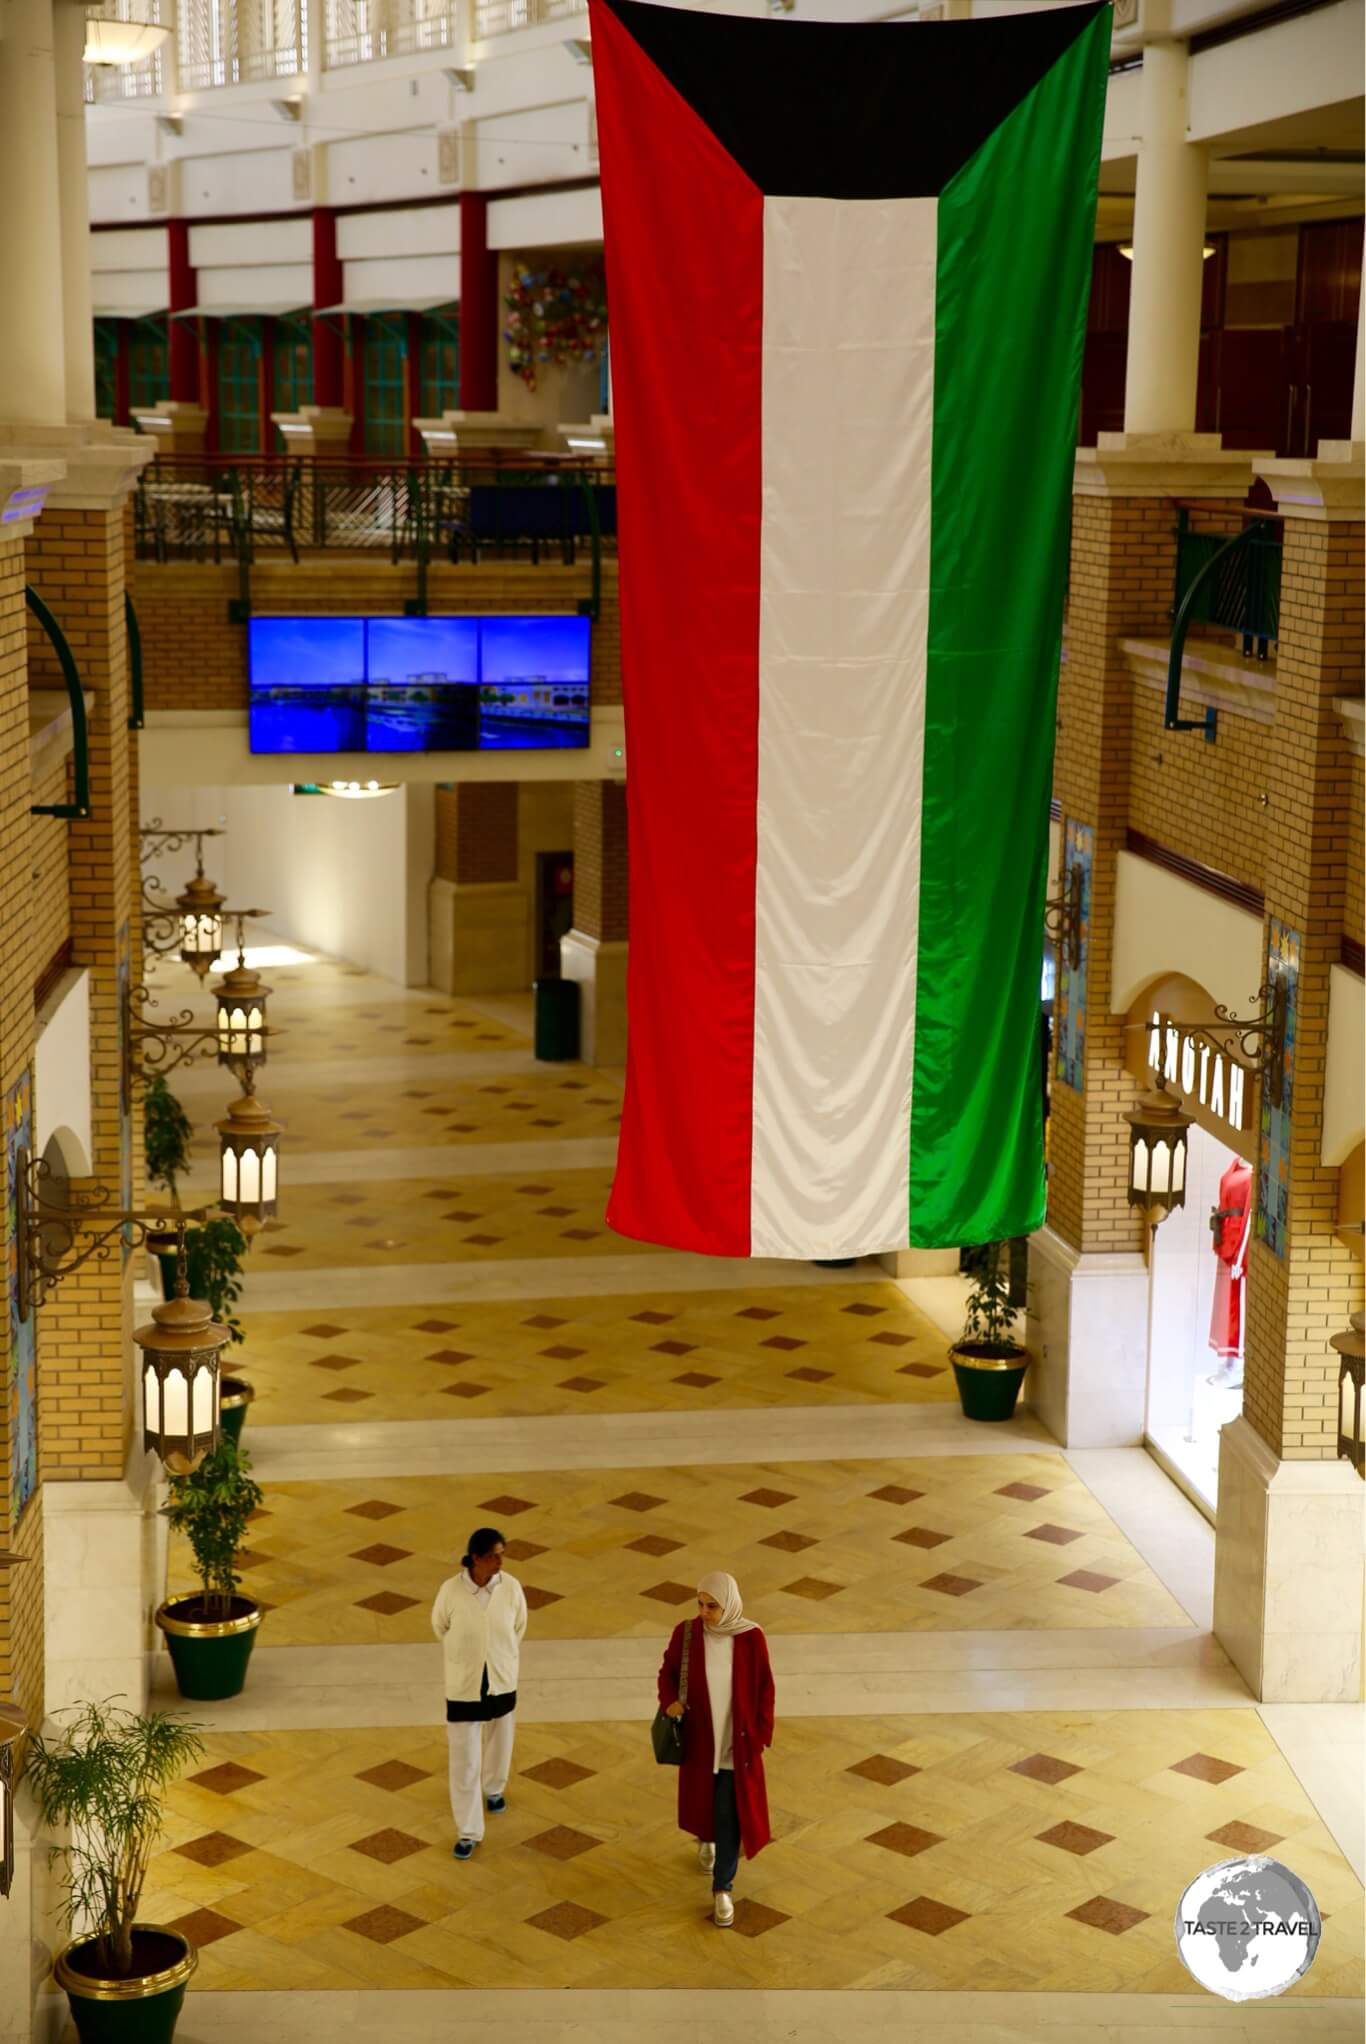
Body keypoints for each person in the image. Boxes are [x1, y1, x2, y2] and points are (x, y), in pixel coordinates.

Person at [658, 1570, 775, 1927]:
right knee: (703, 1803)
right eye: (701, 1604)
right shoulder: (688, 1633)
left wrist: (758, 1736)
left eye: (713, 1606)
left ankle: (722, 1887)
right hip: (699, 1742)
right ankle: (704, 1838)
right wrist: (669, 1703)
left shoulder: (751, 1638)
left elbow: (765, 1688)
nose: (705, 1612)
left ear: (730, 1605)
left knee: (730, 1814)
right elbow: (668, 1672)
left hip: (735, 1746)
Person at [431, 1526, 528, 1860]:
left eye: (503, 1553)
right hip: (464, 1685)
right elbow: (439, 1626)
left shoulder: (512, 1588)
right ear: (475, 1558)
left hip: (502, 1676)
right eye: (493, 1555)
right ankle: (468, 1831)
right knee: (464, 1759)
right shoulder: (451, 1591)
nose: (500, 1561)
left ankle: (494, 1787)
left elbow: (520, 1627)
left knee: (501, 1737)